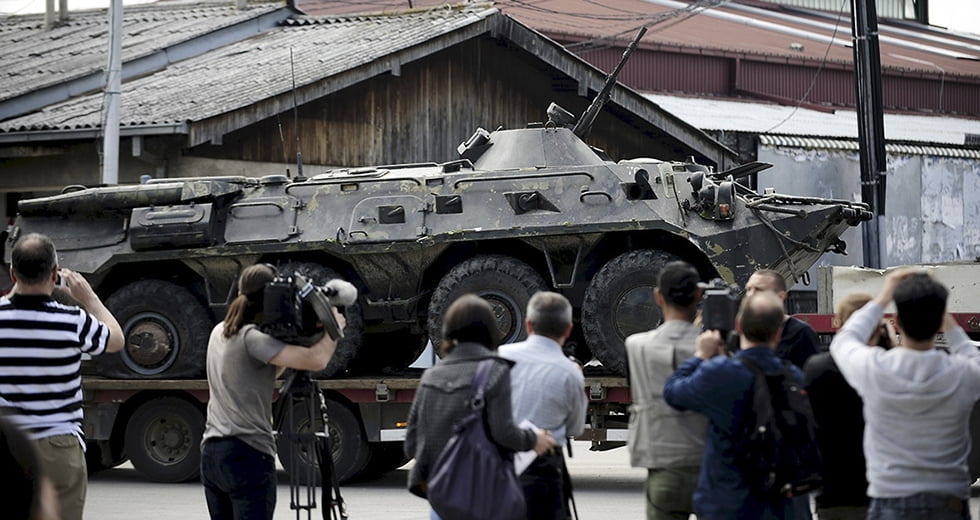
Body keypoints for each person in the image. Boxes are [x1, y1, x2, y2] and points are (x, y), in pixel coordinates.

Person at [830, 269, 980, 520]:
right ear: (940, 321)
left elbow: (844, 339)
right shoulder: (963, 373)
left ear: (897, 322)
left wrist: (884, 294)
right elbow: (969, 352)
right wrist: (945, 318)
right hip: (948, 501)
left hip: (890, 499)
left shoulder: (875, 369)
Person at [200, 263, 345, 520]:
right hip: (246, 453)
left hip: (212, 454)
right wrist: (333, 330)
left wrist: (292, 340)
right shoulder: (251, 338)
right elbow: (316, 360)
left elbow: (265, 370)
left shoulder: (219, 332)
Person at [0, 232, 124, 520]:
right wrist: (88, 297)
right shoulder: (72, 321)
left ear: (12, 272)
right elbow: (116, 340)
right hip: (58, 444)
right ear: (55, 274)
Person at [405, 294, 556, 520]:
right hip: (485, 495)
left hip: (442, 499)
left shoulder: (431, 376)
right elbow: (504, 433)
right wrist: (535, 439)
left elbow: (411, 445)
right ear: (490, 330)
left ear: (449, 330)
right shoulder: (494, 371)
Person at [663, 290, 805, 520]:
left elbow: (673, 392)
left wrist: (701, 355)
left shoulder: (721, 373)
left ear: (738, 325)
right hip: (780, 504)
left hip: (729, 501)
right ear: (778, 333)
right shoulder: (793, 376)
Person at [624, 261, 707, 520]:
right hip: (709, 464)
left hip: (663, 461)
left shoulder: (635, 345)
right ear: (699, 295)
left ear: (658, 297)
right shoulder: (716, 348)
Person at [804, 292, 894, 520]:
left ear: (839, 323)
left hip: (834, 490)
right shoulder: (891, 368)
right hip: (882, 488)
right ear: (879, 326)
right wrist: (891, 346)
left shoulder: (817, 368)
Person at [498, 291, 587, 520]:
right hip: (543, 468)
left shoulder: (498, 357)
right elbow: (575, 429)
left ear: (528, 325)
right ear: (568, 329)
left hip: (498, 462)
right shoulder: (569, 372)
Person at [745, 269, 818, 369]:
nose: (750, 295)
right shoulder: (740, 330)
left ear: (780, 296)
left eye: (759, 290)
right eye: (748, 289)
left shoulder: (801, 334)